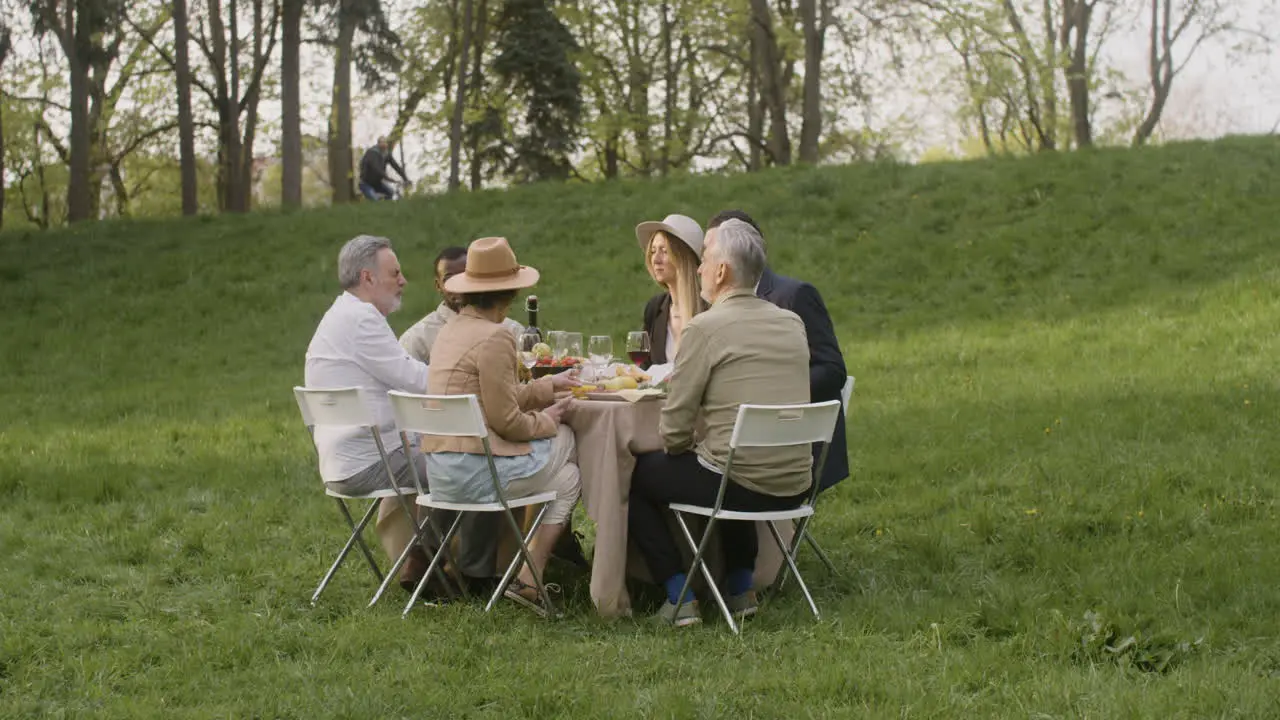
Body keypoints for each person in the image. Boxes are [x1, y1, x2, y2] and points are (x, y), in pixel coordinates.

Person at [628, 219, 813, 627]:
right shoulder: (791, 322)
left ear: (722, 271)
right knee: (730, 459)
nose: (697, 268)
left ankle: (679, 595)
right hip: (795, 486)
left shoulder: (705, 328)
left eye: (705, 258)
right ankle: (740, 588)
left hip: (741, 485)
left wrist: (680, 447)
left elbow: (674, 431)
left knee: (638, 475)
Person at [421, 236, 583, 616]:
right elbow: (507, 420)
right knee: (570, 437)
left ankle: (529, 578)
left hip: (441, 473)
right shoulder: (496, 336)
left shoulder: (453, 329)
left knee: (569, 478)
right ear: (511, 290)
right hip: (476, 474)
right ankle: (598, 552)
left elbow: (492, 397)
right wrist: (550, 418)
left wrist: (545, 388)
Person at [304, 234, 450, 595]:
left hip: (340, 463)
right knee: (466, 467)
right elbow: (413, 379)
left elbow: (397, 384)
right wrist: (468, 376)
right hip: (370, 462)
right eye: (395, 273)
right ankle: (430, 565)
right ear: (367, 277)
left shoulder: (339, 315)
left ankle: (435, 563)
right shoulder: (361, 320)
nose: (403, 281)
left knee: (449, 457)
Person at [707, 209, 850, 491]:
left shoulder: (794, 295)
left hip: (795, 444)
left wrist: (770, 392)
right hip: (742, 442)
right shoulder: (716, 305)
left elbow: (833, 371)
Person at [400, 246, 524, 365]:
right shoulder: (417, 339)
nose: (459, 286)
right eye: (449, 279)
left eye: (465, 277)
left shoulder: (512, 330)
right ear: (438, 285)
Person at [634, 214, 708, 365]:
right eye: (653, 251)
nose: (655, 259)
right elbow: (644, 369)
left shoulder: (711, 309)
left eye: (664, 251)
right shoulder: (655, 308)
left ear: (684, 258)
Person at [358, 136, 411, 201]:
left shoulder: (386, 154)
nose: (384, 144)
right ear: (378, 144)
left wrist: (405, 178)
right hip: (366, 184)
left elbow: (396, 166)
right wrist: (387, 178)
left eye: (385, 142)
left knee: (391, 193)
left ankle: (387, 208)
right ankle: (376, 200)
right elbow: (376, 168)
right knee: (375, 200)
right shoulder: (372, 153)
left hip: (378, 183)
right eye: (382, 143)